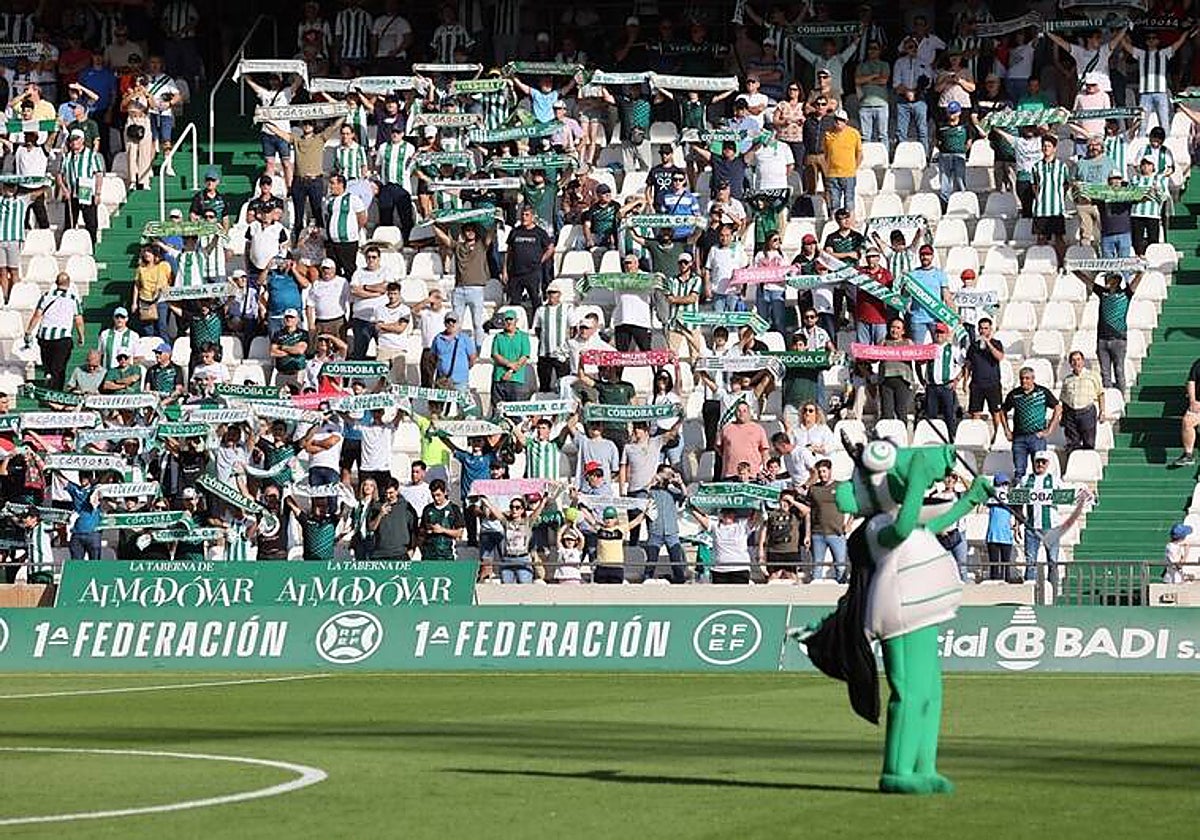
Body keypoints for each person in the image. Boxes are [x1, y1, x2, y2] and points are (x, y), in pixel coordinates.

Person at [998, 366, 1062, 478]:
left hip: (1037, 437)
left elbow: (1058, 408)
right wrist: (1007, 430)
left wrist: (1049, 429)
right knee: (1019, 471)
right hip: (1019, 438)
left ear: (1033, 379)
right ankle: (1020, 493)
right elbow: (1002, 411)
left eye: (1027, 378)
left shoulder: (1042, 392)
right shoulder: (1014, 394)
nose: (1024, 381)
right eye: (1022, 378)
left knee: (1040, 471)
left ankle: (1037, 493)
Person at [25, 272, 85, 391]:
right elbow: (78, 320)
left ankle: (48, 374)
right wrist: (81, 336)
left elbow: (37, 315)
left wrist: (29, 331)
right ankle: (55, 391)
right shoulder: (73, 299)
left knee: (48, 362)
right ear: (69, 284)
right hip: (62, 337)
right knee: (59, 367)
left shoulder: (46, 296)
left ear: (56, 283)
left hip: (44, 336)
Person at [480, 492, 546, 583]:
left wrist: (544, 500)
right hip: (508, 559)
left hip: (523, 558)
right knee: (507, 589)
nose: (514, 510)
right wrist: (485, 500)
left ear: (522, 510)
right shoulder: (506, 522)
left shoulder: (528, 522)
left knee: (525, 587)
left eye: (517, 507)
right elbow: (495, 511)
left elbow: (538, 511)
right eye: (512, 507)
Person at [1020, 451, 1065, 583]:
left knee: (1052, 560)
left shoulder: (1055, 480)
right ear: (1034, 463)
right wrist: (1018, 522)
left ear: (1048, 463)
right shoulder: (1025, 479)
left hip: (1051, 527)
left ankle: (1054, 590)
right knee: (1030, 561)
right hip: (1031, 526)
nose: (1040, 464)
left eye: (1043, 462)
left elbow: (1067, 495)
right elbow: (1016, 499)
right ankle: (1030, 590)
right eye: (1038, 461)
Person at [503, 206, 554, 314]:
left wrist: (541, 260)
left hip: (533, 273)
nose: (524, 217)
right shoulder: (515, 232)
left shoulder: (540, 232)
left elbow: (550, 248)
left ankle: (537, 326)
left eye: (527, 215)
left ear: (532, 217)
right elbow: (509, 252)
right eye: (522, 215)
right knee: (514, 303)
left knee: (536, 302)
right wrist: (504, 271)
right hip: (516, 273)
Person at [689, 506, 759, 584]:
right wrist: (690, 506)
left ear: (735, 514)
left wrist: (757, 505)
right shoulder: (715, 525)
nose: (727, 515)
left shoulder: (742, 524)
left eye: (730, 512)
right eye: (724, 512)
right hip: (719, 570)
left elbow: (754, 517)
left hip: (740, 569)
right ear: (720, 514)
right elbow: (700, 517)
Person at [808, 458, 848, 581]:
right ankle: (815, 595)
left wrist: (849, 523)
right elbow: (809, 511)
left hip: (836, 533)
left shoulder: (840, 486)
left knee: (840, 566)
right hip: (817, 533)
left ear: (830, 471)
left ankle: (843, 594)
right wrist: (808, 533)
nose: (822, 475)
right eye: (819, 472)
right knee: (817, 567)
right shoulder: (813, 489)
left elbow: (853, 506)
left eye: (824, 471)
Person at [920, 323, 964, 434]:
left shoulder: (952, 349)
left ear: (946, 334)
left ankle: (951, 438)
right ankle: (932, 438)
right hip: (931, 387)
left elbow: (964, 365)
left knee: (949, 415)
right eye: (937, 332)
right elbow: (918, 362)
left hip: (946, 386)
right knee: (931, 415)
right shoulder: (929, 348)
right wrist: (922, 379)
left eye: (941, 332)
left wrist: (956, 380)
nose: (939, 335)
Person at [759, 489, 810, 582]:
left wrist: (792, 501)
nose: (785, 503)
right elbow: (764, 531)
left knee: (792, 575)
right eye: (783, 501)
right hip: (774, 551)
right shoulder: (773, 514)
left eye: (787, 501)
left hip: (791, 551)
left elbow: (807, 510)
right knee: (774, 576)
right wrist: (761, 551)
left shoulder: (795, 514)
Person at [1059, 351, 1105, 453]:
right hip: (1070, 414)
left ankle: (1088, 466)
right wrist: (1063, 417)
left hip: (1087, 412)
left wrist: (1102, 411)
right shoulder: (1067, 380)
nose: (1076, 362)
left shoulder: (1093, 375)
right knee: (1072, 444)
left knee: (1088, 443)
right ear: (1070, 363)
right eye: (1073, 360)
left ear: (1083, 361)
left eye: (1078, 359)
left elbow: (1100, 393)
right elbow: (1064, 400)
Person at [963, 316, 1005, 421]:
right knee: (975, 412)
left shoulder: (997, 343)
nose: (983, 330)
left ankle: (997, 434)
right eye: (981, 328)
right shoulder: (973, 346)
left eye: (986, 328)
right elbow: (968, 364)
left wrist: (988, 343)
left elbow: (999, 357)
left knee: (996, 412)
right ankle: (976, 434)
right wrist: (965, 381)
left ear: (990, 329)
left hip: (993, 384)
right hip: (977, 384)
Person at [823, 109, 862, 213]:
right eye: (836, 119)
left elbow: (859, 154)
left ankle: (849, 223)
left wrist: (854, 168)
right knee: (834, 202)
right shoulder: (827, 134)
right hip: (832, 174)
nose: (838, 122)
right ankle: (834, 224)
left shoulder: (854, 133)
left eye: (841, 120)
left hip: (848, 174)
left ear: (846, 121)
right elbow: (826, 154)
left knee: (849, 202)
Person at [717, 401, 769, 480]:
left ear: (749, 413)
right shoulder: (726, 428)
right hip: (730, 474)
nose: (741, 413)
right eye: (739, 411)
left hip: (752, 474)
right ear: (735, 413)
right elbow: (719, 448)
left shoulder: (758, 429)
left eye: (744, 411)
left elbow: (764, 451)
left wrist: (765, 468)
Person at [878, 318, 916, 422]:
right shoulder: (884, 342)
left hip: (902, 381)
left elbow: (918, 357)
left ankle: (902, 436)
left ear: (903, 331)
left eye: (898, 328)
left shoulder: (908, 342)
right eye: (892, 327)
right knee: (886, 413)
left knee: (901, 412)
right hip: (886, 381)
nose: (894, 330)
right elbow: (874, 358)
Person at [491, 309, 531, 405]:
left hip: (516, 379)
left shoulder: (523, 336)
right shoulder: (498, 337)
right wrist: (509, 364)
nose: (509, 322)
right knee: (498, 410)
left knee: (515, 410)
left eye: (511, 319)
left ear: (516, 321)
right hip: (499, 377)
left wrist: (511, 371)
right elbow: (495, 354)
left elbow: (524, 356)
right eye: (506, 319)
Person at [430, 312, 477, 394]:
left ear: (457, 323)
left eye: (453, 321)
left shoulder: (465, 338)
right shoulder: (438, 339)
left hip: (460, 381)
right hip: (443, 380)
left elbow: (472, 358)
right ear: (444, 323)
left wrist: (463, 369)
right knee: (439, 405)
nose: (450, 324)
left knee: (462, 405)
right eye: (448, 321)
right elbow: (433, 357)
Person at [370, 481, 418, 561]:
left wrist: (412, 549)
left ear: (397, 491)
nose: (388, 496)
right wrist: (380, 514)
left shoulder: (406, 507)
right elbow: (371, 528)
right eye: (386, 493)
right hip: (379, 554)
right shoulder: (376, 506)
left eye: (391, 493)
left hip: (400, 554)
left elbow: (414, 530)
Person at [419, 479, 465, 562]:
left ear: (445, 492)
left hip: (446, 555)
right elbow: (421, 531)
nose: (436, 498)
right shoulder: (427, 509)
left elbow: (459, 533)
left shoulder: (454, 508)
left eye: (438, 495)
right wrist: (427, 530)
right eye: (433, 496)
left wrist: (442, 530)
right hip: (428, 556)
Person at [985, 472, 1019, 583]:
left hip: (1006, 536)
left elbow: (1019, 514)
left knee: (1006, 567)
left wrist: (1016, 527)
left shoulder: (1011, 499)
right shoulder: (990, 497)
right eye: (1001, 484)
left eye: (1006, 484)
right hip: (992, 536)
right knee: (994, 567)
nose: (1003, 487)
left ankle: (1007, 590)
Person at [270, 308, 310, 388]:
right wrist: (292, 350)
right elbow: (273, 352)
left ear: (297, 319)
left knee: (297, 396)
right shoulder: (278, 334)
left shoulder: (303, 334)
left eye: (292, 317)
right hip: (281, 372)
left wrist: (282, 347)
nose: (289, 319)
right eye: (287, 317)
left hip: (298, 372)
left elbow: (300, 350)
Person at [1172, 355, 1200, 467]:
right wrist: (1193, 401)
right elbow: (1191, 382)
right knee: (1187, 421)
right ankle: (1188, 455)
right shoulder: (1198, 363)